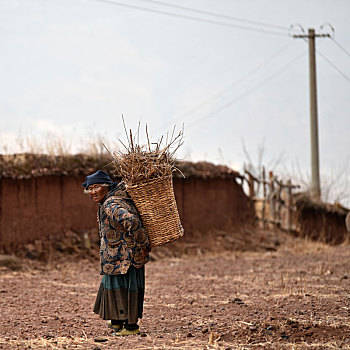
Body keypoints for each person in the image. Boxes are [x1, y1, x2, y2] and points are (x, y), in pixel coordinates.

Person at [82, 170, 151, 336]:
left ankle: (131, 327)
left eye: (96, 187)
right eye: (89, 188)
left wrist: (143, 242)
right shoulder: (114, 199)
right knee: (116, 289)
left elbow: (130, 220)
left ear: (106, 187)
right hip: (117, 258)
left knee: (124, 290)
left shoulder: (111, 204)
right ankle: (117, 323)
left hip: (125, 259)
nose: (92, 192)